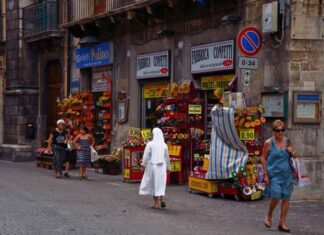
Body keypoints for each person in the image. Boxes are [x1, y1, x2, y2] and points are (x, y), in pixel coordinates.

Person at [261, 120, 297, 233]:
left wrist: (292, 152)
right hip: (274, 175)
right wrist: (265, 174)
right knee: (276, 195)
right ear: (273, 131)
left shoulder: (288, 141)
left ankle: (282, 222)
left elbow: (295, 156)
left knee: (286, 198)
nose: (280, 133)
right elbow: (263, 158)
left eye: (282, 130)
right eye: (277, 130)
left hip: (287, 175)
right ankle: (269, 214)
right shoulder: (269, 143)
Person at [139, 128, 170, 209]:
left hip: (152, 166)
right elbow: (167, 158)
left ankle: (156, 203)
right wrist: (168, 168)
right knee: (161, 183)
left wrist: (143, 164)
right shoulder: (164, 145)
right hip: (162, 166)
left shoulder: (150, 144)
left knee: (154, 184)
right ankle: (162, 199)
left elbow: (146, 155)